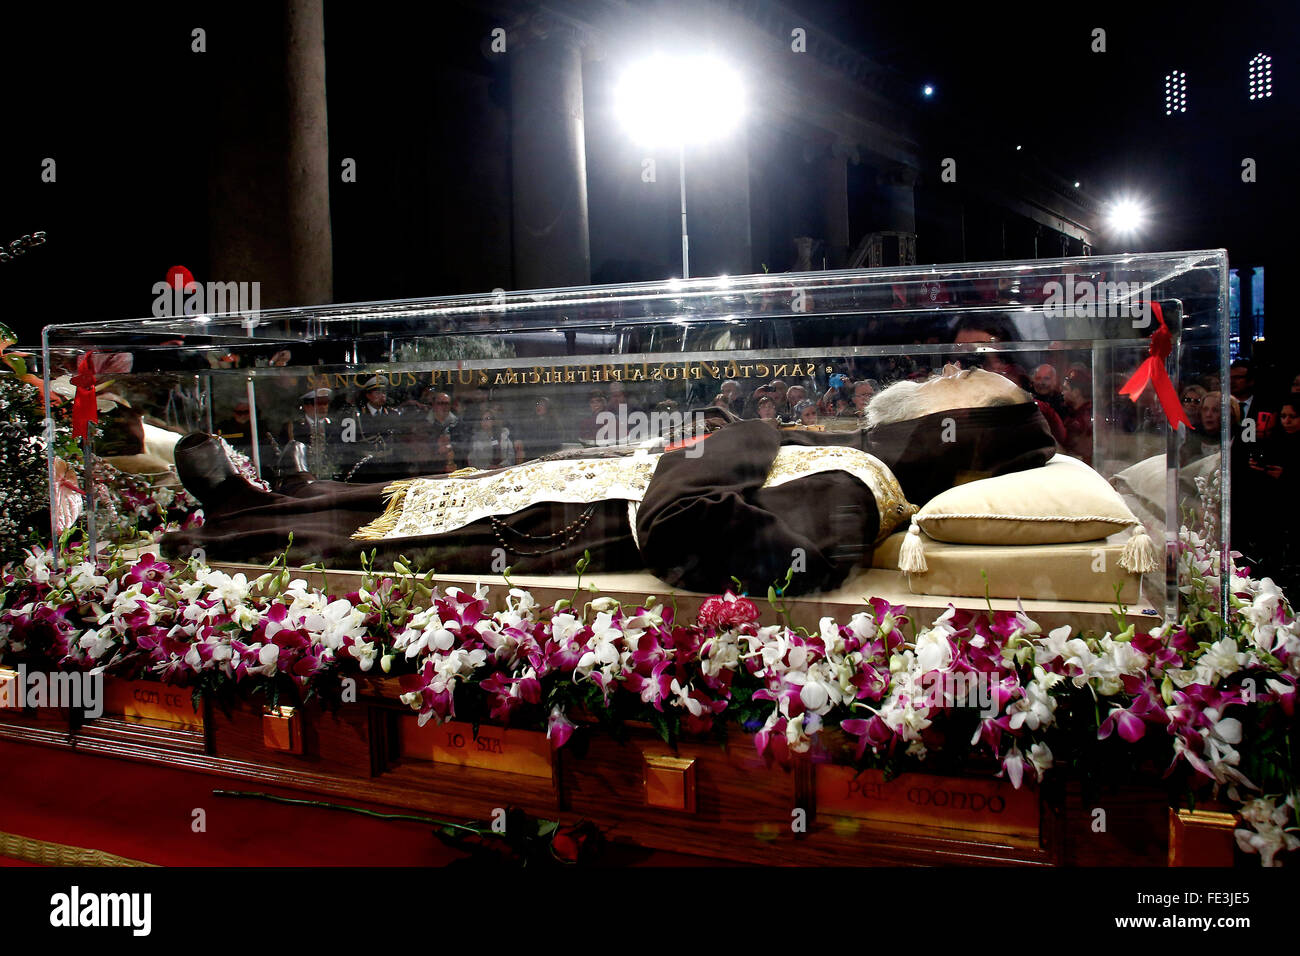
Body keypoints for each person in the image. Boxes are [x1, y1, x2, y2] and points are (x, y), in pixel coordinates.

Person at [162, 366, 1057, 597]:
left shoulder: (857, 489)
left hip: (570, 528)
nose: (945, 372)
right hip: (568, 488)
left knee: (384, 534)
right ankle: (250, 504)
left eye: (964, 380)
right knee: (395, 500)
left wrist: (739, 439)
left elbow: (695, 538)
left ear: (961, 428)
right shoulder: (850, 456)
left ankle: (234, 522)